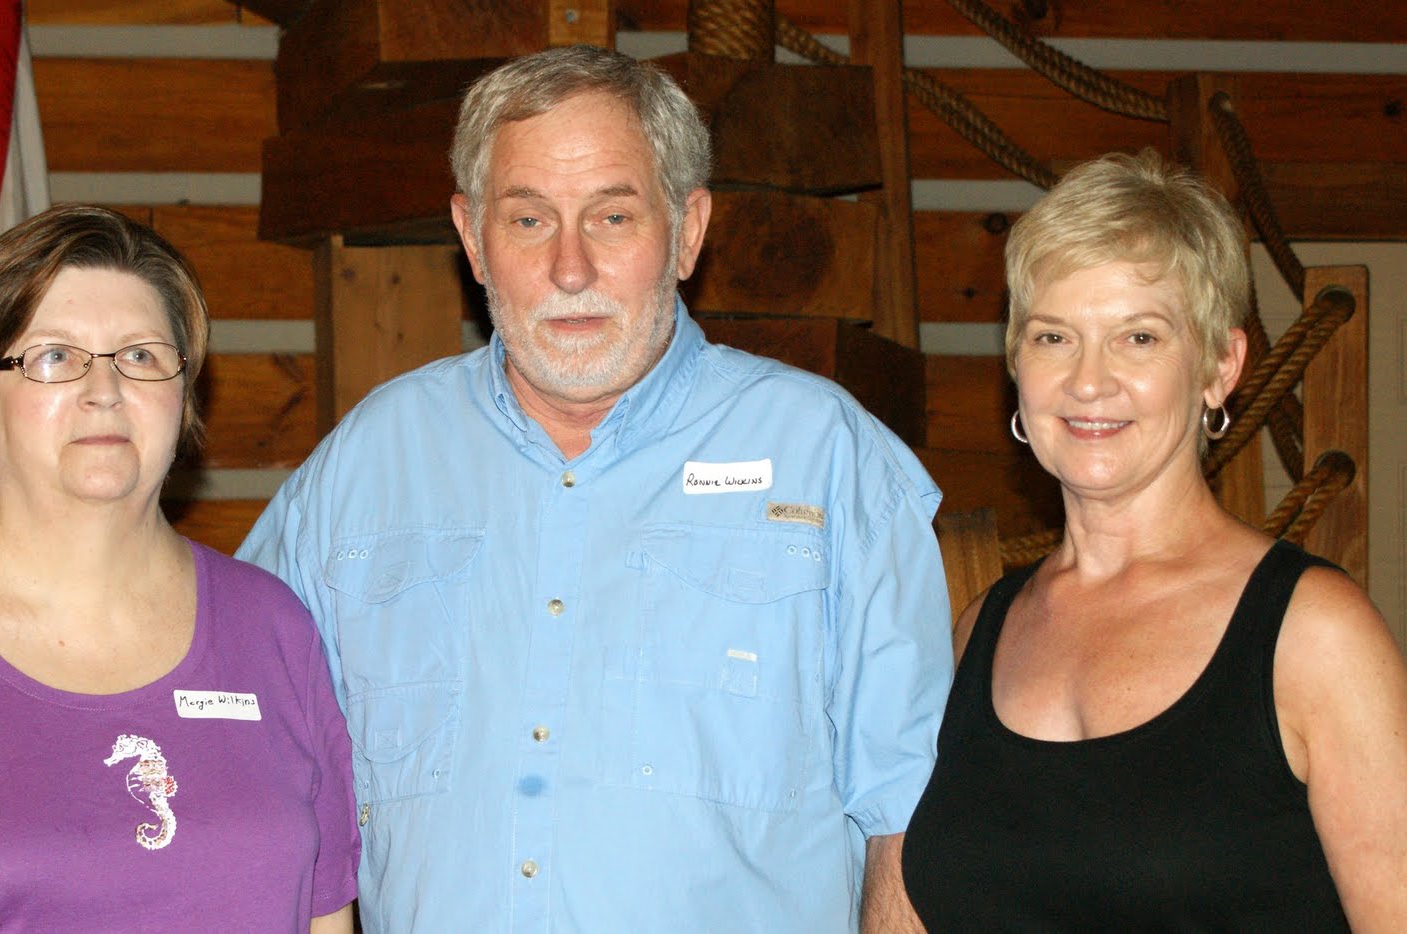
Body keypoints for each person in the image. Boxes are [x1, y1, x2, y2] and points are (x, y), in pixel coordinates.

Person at [237, 44, 951, 932]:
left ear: (688, 230)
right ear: (472, 238)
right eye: (528, 219)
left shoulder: (829, 458)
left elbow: (911, 812)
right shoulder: (362, 467)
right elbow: (240, 750)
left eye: (612, 217)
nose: (569, 269)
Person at [0, 205, 360, 932]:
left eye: (141, 356)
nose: (105, 390)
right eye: (54, 357)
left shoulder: (272, 630)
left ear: (185, 394)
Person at [902, 151, 1407, 930]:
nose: (1088, 381)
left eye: (1138, 338)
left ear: (1220, 366)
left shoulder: (1315, 635)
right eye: (1053, 337)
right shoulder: (982, 630)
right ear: (1015, 365)